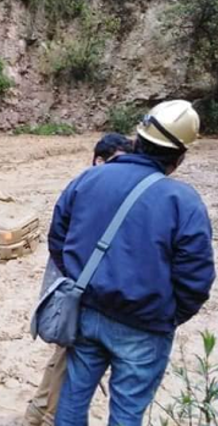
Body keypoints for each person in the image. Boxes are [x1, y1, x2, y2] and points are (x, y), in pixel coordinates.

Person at [49, 100, 215, 426]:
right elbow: (196, 278)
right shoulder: (184, 202)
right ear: (180, 157)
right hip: (145, 326)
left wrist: (80, 283)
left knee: (72, 398)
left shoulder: (89, 178)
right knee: (127, 414)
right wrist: (167, 315)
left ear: (137, 139)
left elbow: (58, 238)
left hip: (86, 311)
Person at [24, 133, 133, 426]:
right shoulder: (86, 190)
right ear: (99, 160)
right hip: (78, 290)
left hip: (78, 288)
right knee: (68, 354)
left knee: (64, 352)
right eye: (118, 162)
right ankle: (47, 416)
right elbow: (58, 239)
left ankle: (38, 411)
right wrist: (77, 279)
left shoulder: (88, 189)